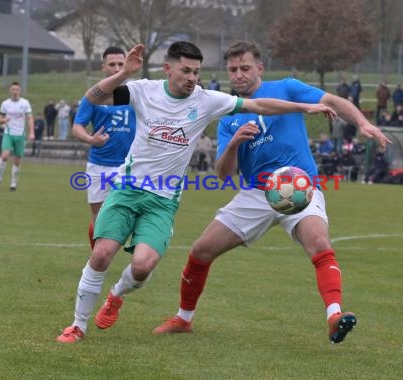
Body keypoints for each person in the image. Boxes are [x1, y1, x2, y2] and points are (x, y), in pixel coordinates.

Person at [55, 41, 339, 344]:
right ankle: (77, 326)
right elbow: (94, 97)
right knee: (101, 254)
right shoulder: (143, 91)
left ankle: (116, 295)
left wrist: (304, 107)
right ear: (168, 69)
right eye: (186, 71)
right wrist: (123, 73)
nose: (192, 78)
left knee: (142, 266)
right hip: (126, 190)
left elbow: (260, 105)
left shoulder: (207, 101)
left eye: (197, 72)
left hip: (162, 201)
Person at [152, 41, 390, 344]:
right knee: (201, 250)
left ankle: (334, 315)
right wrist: (236, 141)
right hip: (256, 193)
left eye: (245, 68)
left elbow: (333, 100)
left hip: (300, 185)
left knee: (318, 241)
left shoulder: (287, 88)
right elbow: (223, 174)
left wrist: (363, 123)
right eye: (233, 70)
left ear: (260, 68)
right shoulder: (229, 113)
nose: (238, 75)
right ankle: (183, 319)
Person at [71, 46, 137, 250]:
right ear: (103, 67)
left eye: (121, 63)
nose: (117, 68)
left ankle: (140, 257)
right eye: (112, 64)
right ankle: (96, 261)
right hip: (99, 165)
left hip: (132, 166)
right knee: (99, 219)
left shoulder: (139, 92)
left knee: (133, 215)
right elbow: (77, 126)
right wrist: (91, 139)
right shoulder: (94, 96)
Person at [0, 82, 34, 191]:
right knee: (5, 156)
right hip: (8, 133)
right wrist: (3, 120)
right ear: (10, 91)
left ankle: (13, 185)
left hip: (20, 135)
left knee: (17, 160)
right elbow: (0, 120)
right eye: (13, 89)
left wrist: (31, 132)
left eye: (17, 89)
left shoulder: (25, 103)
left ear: (19, 91)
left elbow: (30, 118)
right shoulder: (5, 104)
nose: (15, 91)